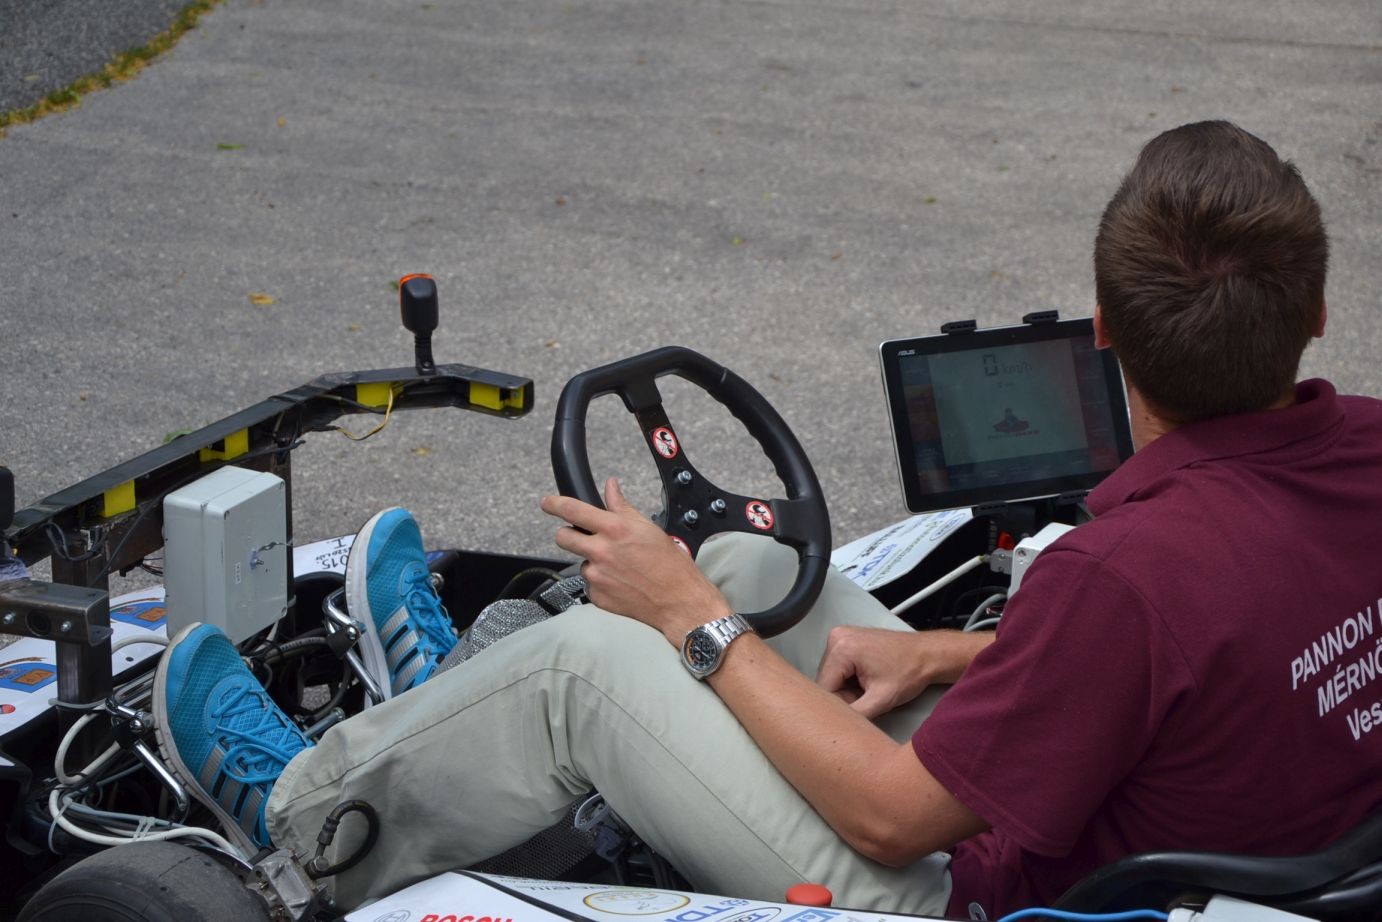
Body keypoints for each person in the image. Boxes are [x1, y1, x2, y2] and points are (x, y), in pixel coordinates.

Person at [152, 120, 1382, 919]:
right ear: (1317, 312)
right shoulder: (1359, 455)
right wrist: (940, 651)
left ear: (1102, 331)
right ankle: (442, 727)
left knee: (590, 663)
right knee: (745, 554)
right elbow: (1195, 655)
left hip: (981, 895)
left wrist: (690, 620)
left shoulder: (1121, 575)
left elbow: (894, 816)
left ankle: (300, 822)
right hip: (1195, 832)